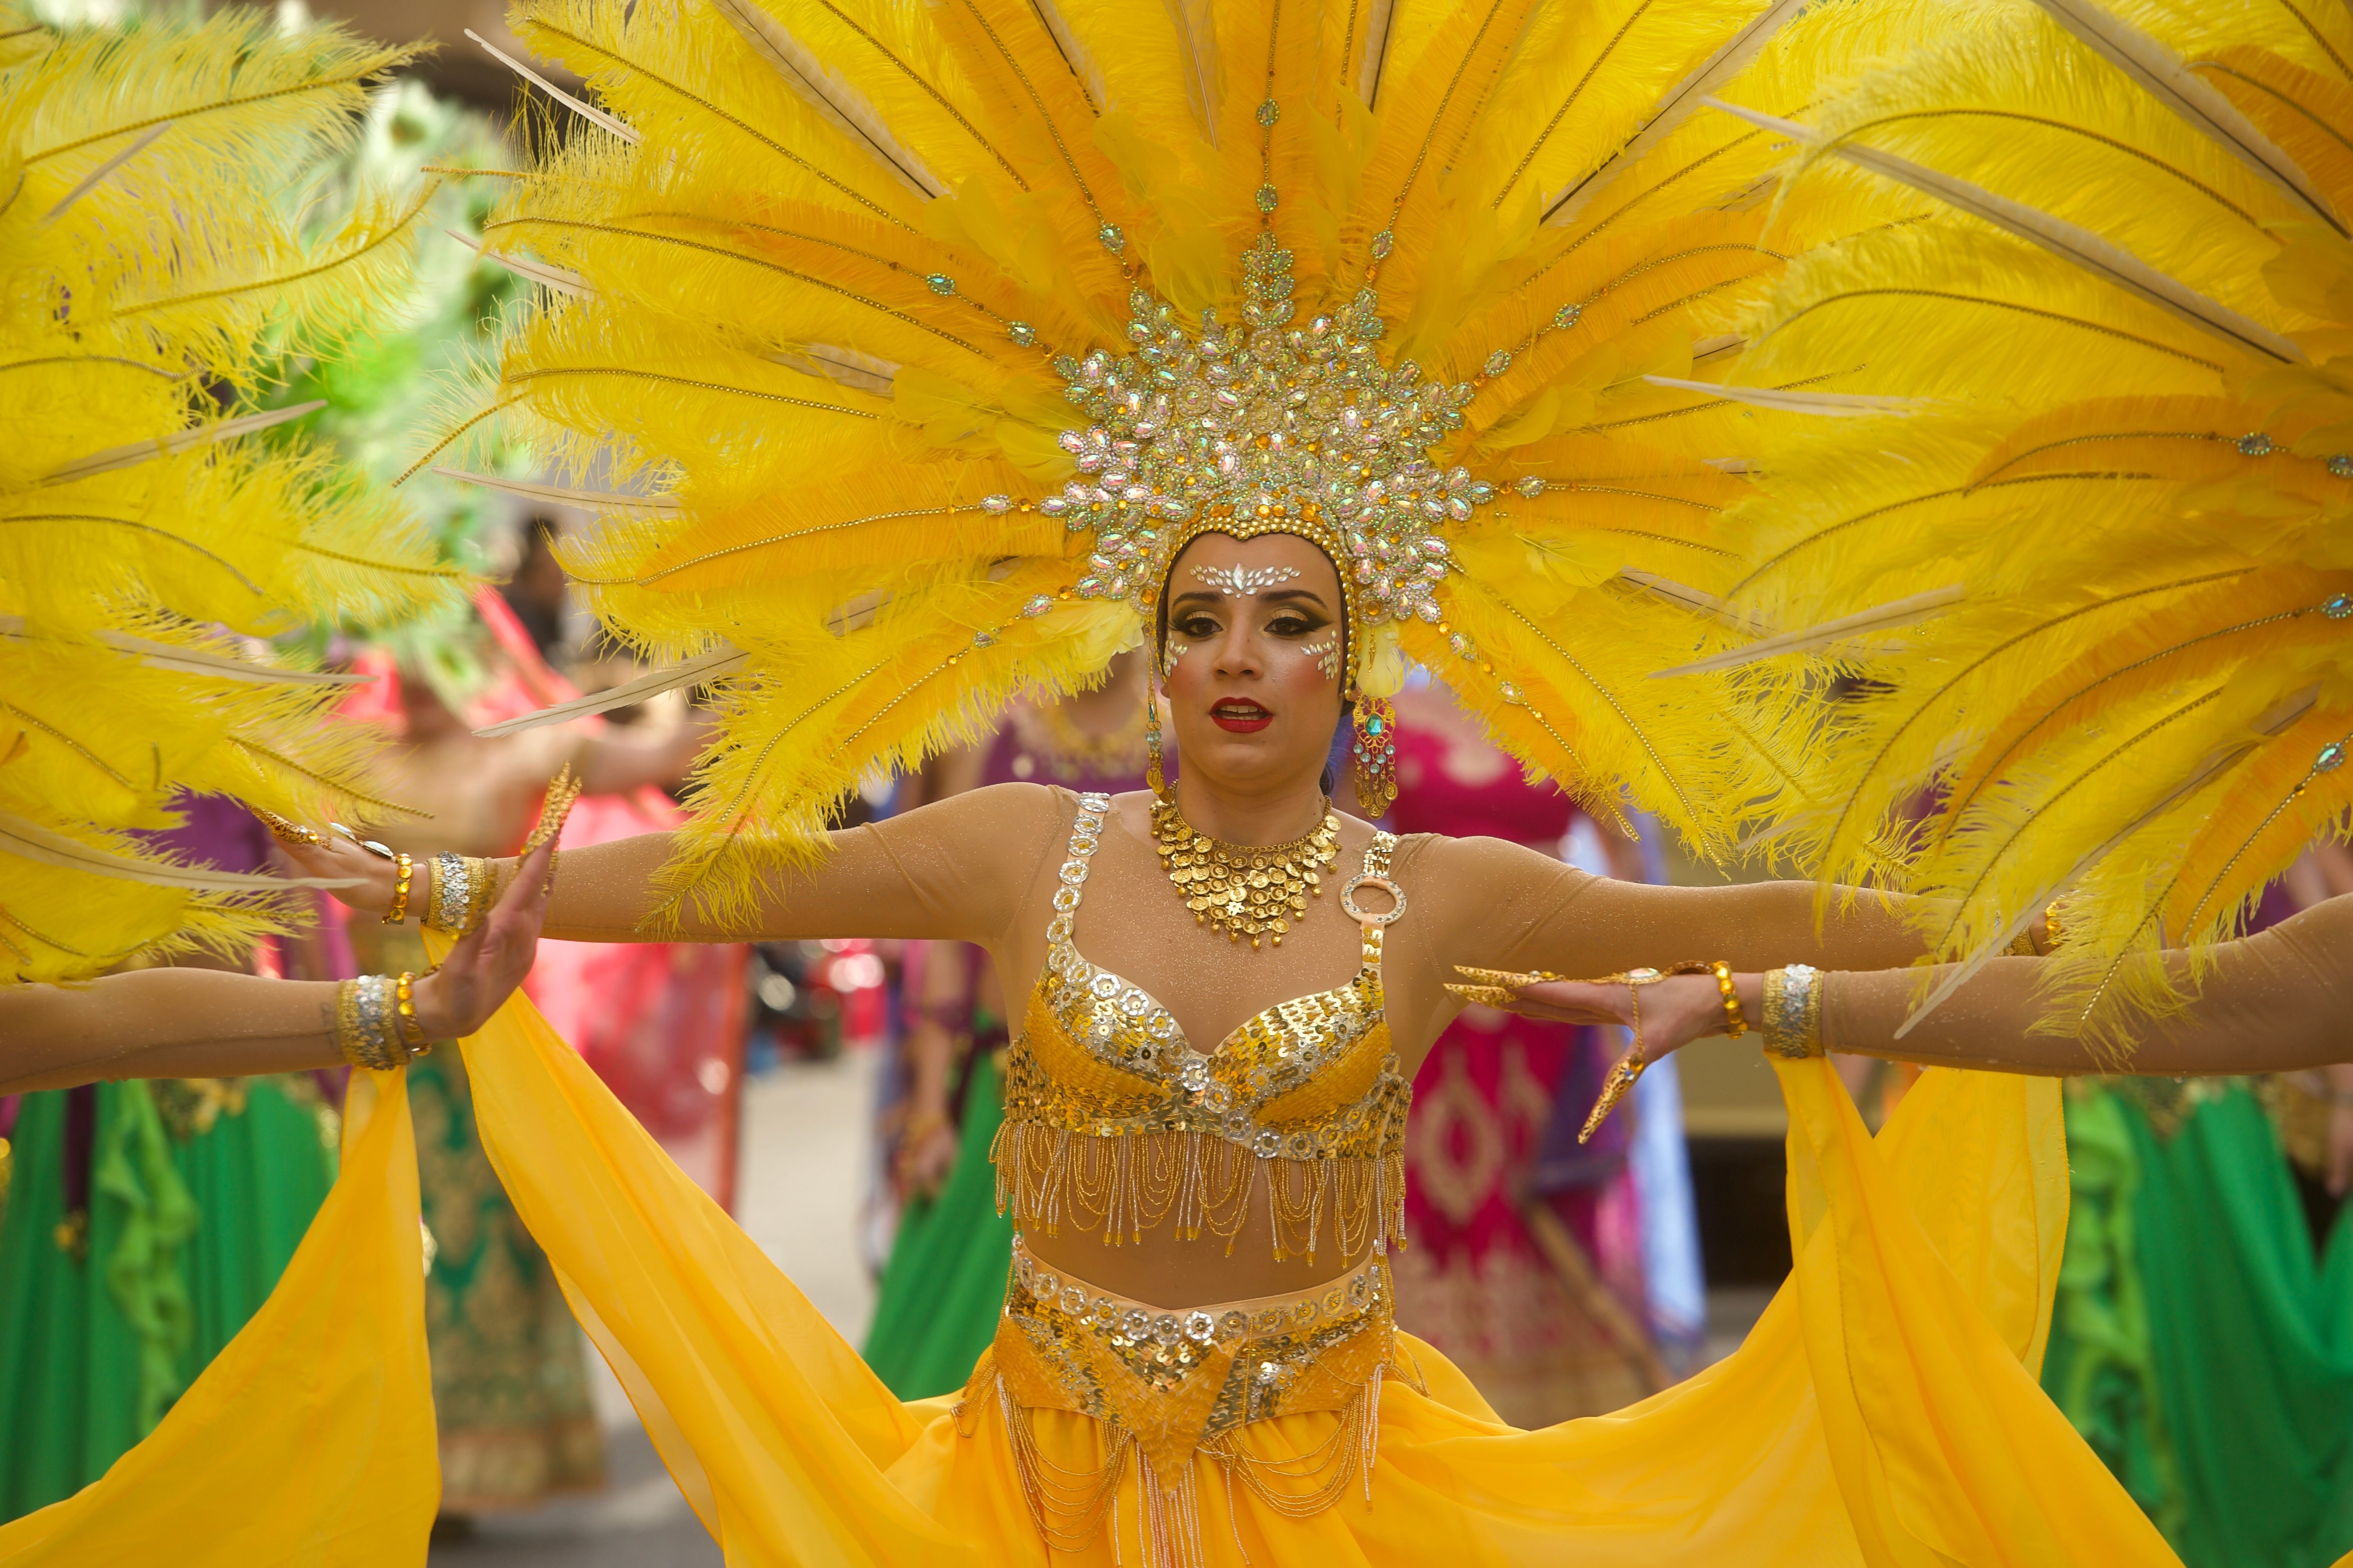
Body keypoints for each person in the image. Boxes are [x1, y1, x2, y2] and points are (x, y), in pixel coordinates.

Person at [283, 522, 2208, 1563]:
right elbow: (731, 888)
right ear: (1156, 652)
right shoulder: (1023, 847)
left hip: (1340, 1493)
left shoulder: (1431, 891)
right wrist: (438, 891)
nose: (1232, 652)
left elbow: (1724, 920)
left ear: (1341, 674)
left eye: (1285, 622)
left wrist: (2011, 917)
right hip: (1031, 1492)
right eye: (1197, 615)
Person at [864, 649, 1153, 1399]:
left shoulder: (1184, 725)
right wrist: (930, 1110)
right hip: (1003, 1107)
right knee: (947, 1373)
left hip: (1146, 1118)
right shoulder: (985, 721)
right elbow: (943, 922)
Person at [1382, 682, 1671, 1422]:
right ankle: (1425, 1403)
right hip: (1430, 1014)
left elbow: (1631, 867)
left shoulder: (1569, 715)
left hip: (1551, 1014)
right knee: (1426, 1203)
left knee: (1541, 1186)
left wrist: (1621, 994)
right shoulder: (1379, 712)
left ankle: (1559, 1416)